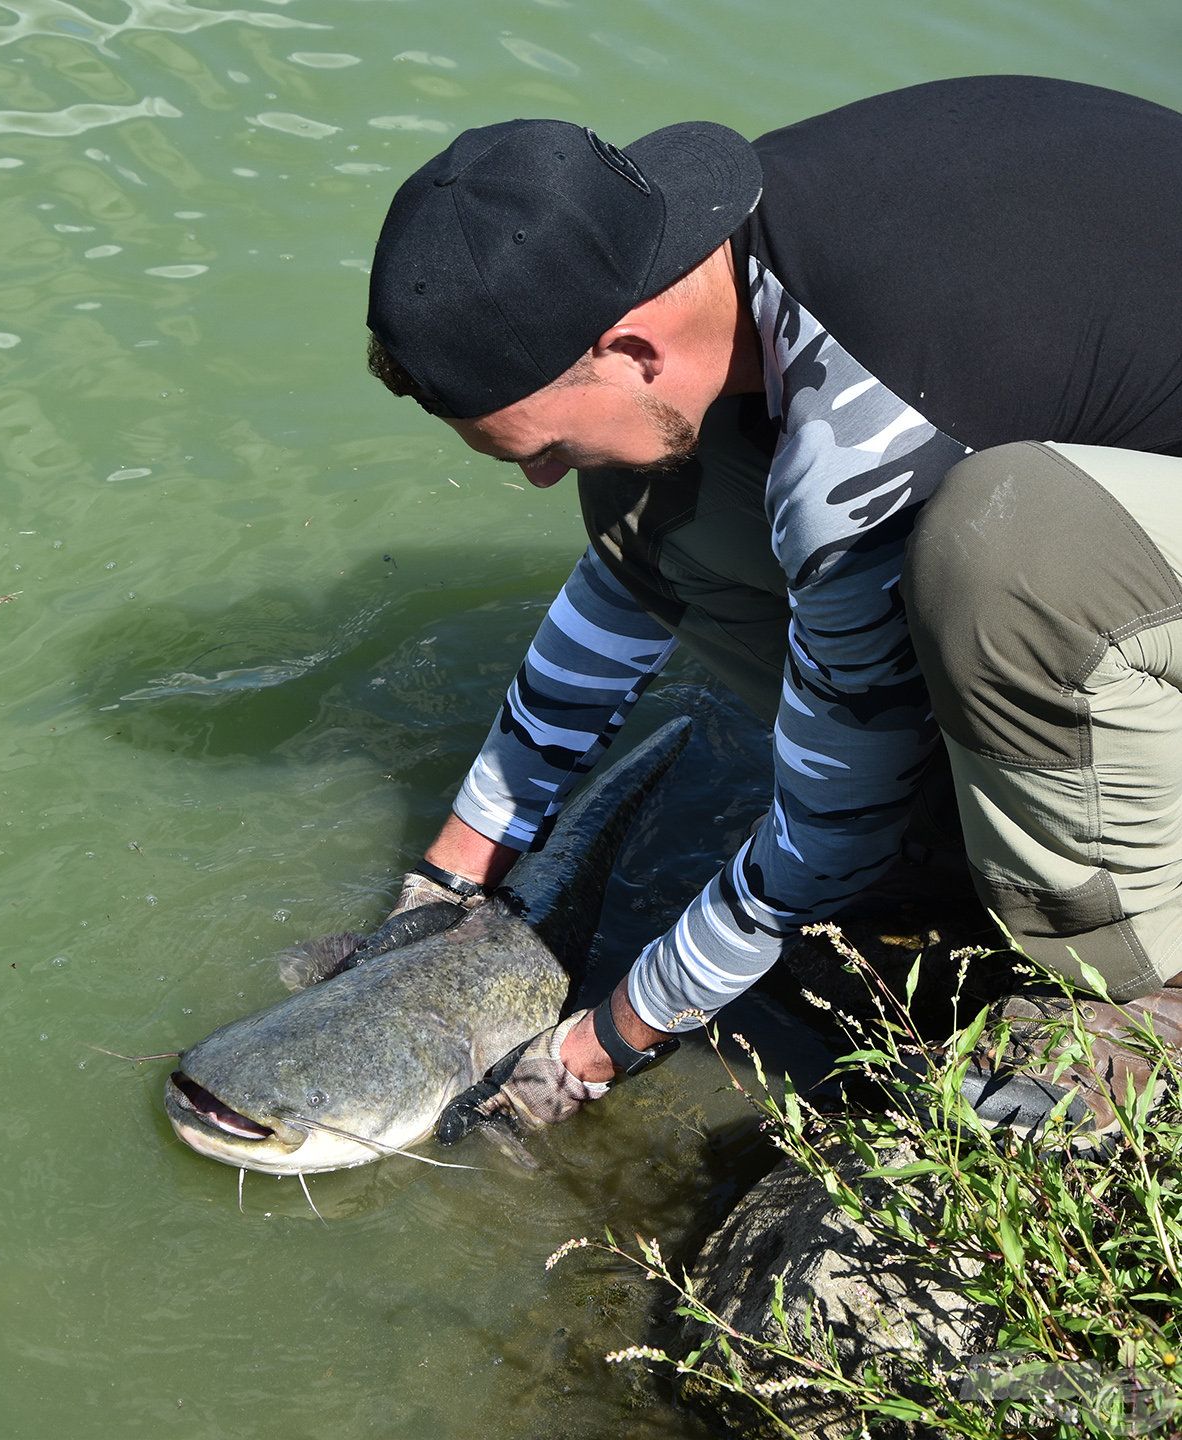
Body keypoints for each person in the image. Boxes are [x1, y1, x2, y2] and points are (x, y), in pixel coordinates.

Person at [362, 75, 1182, 1141]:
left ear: (630, 348)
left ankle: (1139, 989)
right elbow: (624, 576)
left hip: (1065, 526)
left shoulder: (866, 421)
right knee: (647, 465)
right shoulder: (686, 258)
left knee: (1006, 552)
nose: (535, 484)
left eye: (541, 447)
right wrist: (449, 878)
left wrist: (589, 1051)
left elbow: (823, 836)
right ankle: (959, 827)